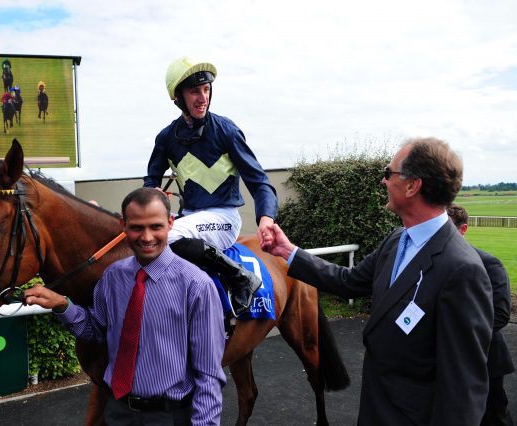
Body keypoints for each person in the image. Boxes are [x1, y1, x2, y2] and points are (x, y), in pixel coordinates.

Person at [262, 137, 494, 425]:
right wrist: (288, 252)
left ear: (413, 185)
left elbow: (463, 389)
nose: (383, 181)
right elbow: (348, 281)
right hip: (377, 409)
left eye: (388, 173)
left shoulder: (462, 270)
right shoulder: (397, 240)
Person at [24, 187, 226, 426]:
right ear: (123, 225)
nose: (147, 237)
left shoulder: (197, 285)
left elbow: (208, 375)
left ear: (170, 223)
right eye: (137, 227)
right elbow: (96, 330)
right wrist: (62, 304)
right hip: (118, 413)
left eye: (156, 226)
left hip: (169, 417)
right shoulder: (113, 277)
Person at [144, 56, 278, 317]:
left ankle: (241, 277)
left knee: (165, 237)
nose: (202, 97)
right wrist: (153, 194)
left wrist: (266, 217)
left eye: (206, 90)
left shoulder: (226, 130)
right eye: (195, 91)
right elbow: (151, 180)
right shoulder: (166, 138)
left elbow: (260, 182)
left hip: (224, 217)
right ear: (178, 98)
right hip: (189, 217)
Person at [447, 203, 514, 426]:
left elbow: (501, 314)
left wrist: (453, 333)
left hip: (486, 359)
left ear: (463, 229)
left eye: (447, 228)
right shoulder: (433, 262)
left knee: (494, 417)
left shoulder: (489, 264)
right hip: (445, 362)